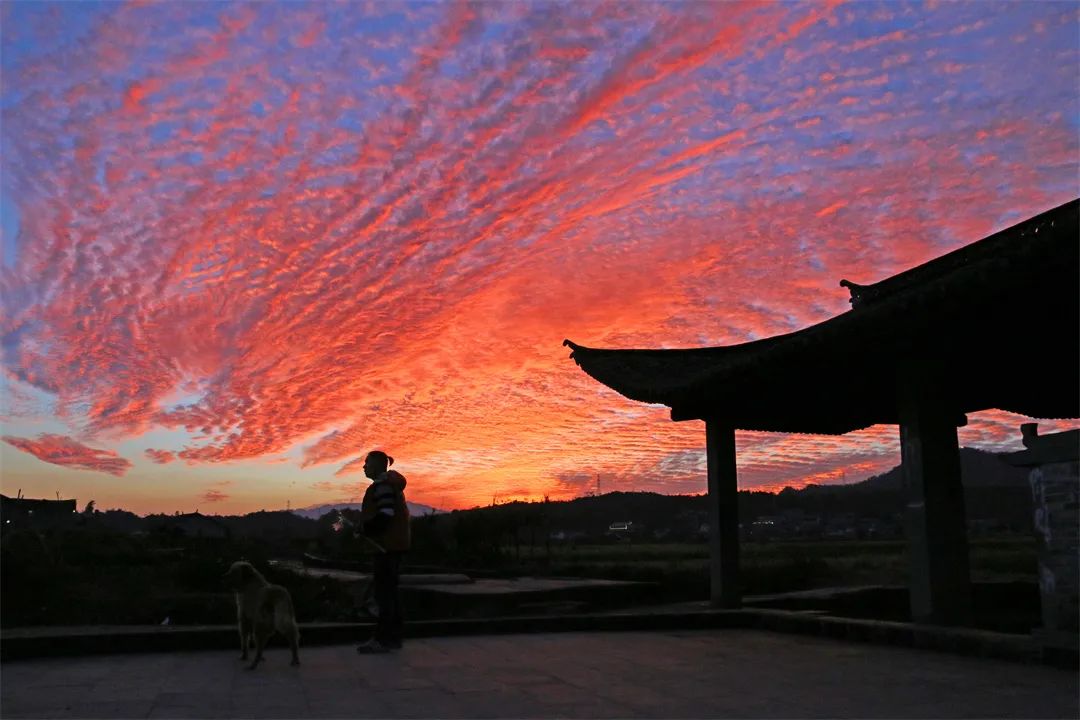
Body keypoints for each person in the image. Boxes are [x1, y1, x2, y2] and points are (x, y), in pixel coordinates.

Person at [355, 450, 410, 653]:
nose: (364, 467)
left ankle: (383, 639)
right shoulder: (388, 486)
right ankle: (393, 638)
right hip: (393, 546)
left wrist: (366, 529)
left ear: (377, 466)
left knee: (384, 595)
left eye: (367, 463)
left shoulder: (382, 487)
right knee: (391, 594)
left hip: (385, 547)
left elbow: (386, 515)